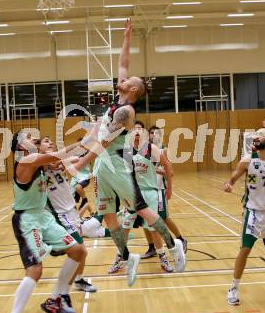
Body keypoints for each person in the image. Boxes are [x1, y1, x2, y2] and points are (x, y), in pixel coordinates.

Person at [71, 19, 186, 286]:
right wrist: (127, 37)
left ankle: (173, 245)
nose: (122, 78)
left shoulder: (126, 112)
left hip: (117, 163)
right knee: (109, 216)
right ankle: (125, 255)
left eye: (128, 80)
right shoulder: (118, 100)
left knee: (141, 209)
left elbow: (104, 143)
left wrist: (82, 162)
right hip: (103, 166)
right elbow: (123, 64)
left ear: (133, 89)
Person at [0, 132, 85, 313]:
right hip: (27, 220)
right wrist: (87, 139)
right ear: (21, 147)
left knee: (78, 251)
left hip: (43, 216)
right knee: (35, 270)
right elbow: (60, 155)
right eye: (29, 136)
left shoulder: (38, 163)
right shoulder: (27, 160)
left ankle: (55, 299)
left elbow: (68, 160)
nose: (34, 137)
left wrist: (96, 143)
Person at [223, 127, 265, 306]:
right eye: (255, 134)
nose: (256, 137)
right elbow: (232, 179)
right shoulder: (247, 161)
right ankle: (233, 287)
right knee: (244, 250)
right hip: (253, 212)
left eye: (260, 134)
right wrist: (228, 185)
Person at [39, 136, 97, 313]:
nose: (50, 143)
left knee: (81, 252)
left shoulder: (56, 163)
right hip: (61, 215)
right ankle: (60, 295)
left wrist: (85, 149)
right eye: (46, 141)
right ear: (38, 148)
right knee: (80, 251)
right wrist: (85, 143)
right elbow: (63, 157)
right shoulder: (39, 165)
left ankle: (72, 285)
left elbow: (71, 160)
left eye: (51, 142)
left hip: (72, 211)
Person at [108, 121, 174, 274]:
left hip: (150, 193)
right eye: (134, 129)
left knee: (154, 229)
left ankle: (163, 258)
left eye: (140, 129)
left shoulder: (151, 149)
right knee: (125, 228)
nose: (137, 131)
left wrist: (169, 187)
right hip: (133, 194)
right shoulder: (126, 151)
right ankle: (120, 258)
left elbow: (168, 166)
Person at [141, 125, 187, 258]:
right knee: (145, 219)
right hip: (145, 189)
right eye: (151, 133)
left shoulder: (163, 151)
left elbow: (170, 173)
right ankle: (151, 247)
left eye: (156, 133)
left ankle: (181, 239)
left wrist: (154, 170)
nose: (153, 135)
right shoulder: (144, 150)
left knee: (164, 218)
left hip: (160, 190)